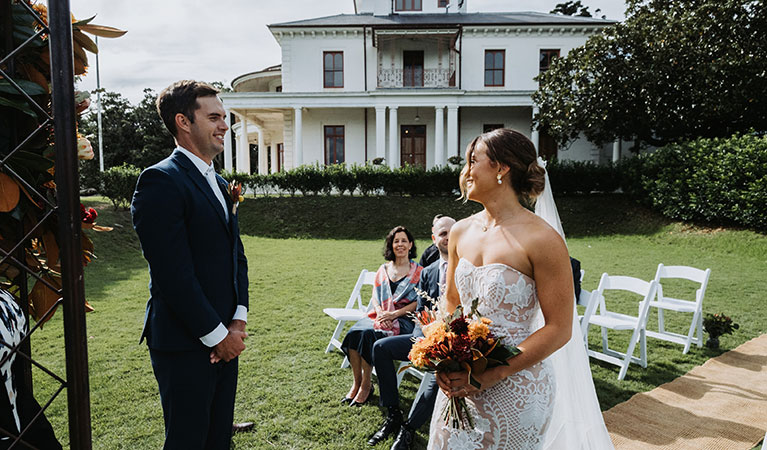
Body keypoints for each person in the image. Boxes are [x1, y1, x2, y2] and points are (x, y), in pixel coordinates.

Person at [428, 128, 613, 449]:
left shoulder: (543, 240)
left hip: (517, 386)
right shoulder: (459, 232)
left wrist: (490, 375)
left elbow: (559, 328)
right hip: (460, 385)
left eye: (473, 161)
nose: (465, 172)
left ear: (501, 168)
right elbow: (451, 301)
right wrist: (446, 357)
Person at [131, 80, 249, 449]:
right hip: (185, 343)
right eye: (213, 117)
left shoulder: (220, 181)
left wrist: (239, 318)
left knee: (217, 441)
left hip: (228, 337)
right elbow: (172, 274)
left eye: (224, 117)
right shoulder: (160, 181)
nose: (223, 126)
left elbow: (236, 255)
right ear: (183, 121)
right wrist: (218, 337)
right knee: (187, 442)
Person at [368, 216, 456, 450]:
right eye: (443, 233)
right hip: (424, 336)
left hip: (455, 345)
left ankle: (407, 430)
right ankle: (393, 414)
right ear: (434, 238)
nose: (448, 237)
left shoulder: (469, 267)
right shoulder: (429, 273)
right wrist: (421, 339)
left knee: (435, 374)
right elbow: (421, 311)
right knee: (380, 348)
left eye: (452, 232)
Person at [341, 226, 422, 407]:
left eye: (403, 241)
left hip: (403, 319)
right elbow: (375, 296)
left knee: (369, 335)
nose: (400, 244)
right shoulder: (383, 269)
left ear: (410, 245)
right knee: (354, 333)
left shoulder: (419, 272)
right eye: (396, 241)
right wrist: (380, 313)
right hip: (380, 315)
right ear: (391, 245)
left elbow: (417, 302)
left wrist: (393, 314)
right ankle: (357, 382)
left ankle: (366, 385)